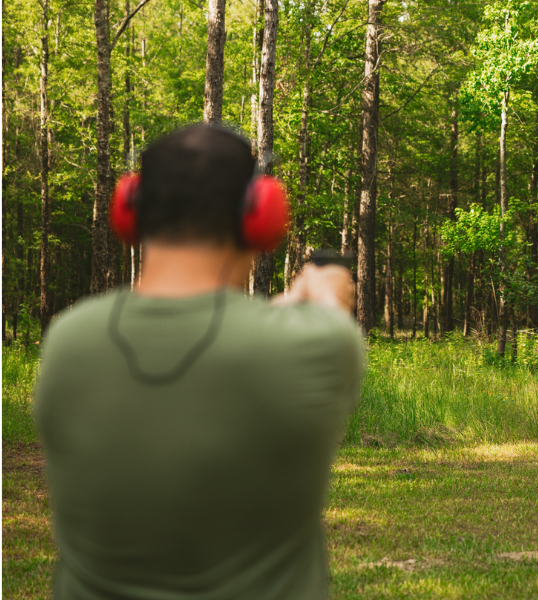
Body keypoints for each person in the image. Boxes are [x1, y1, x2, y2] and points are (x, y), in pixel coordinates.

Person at [34, 124, 364, 599]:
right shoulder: (318, 345)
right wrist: (323, 289)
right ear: (260, 217)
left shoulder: (68, 340)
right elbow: (306, 327)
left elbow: (223, 340)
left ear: (131, 212)